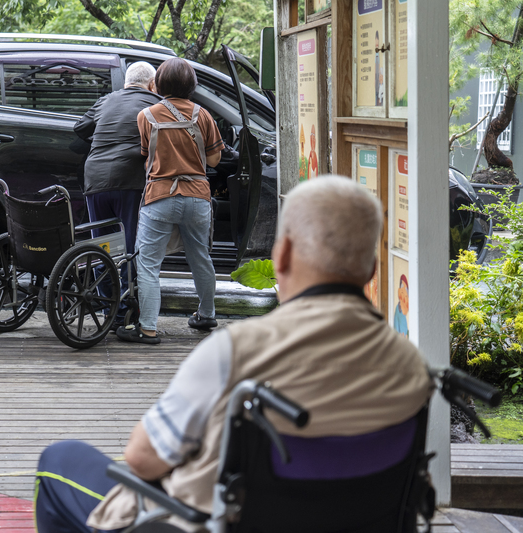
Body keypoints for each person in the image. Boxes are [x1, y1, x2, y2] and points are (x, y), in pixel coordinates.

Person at [33, 176, 433, 532]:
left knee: (60, 460)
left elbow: (143, 459)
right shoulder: (409, 364)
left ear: (284, 254)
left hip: (206, 521)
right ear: (371, 269)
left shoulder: (236, 352)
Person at [116, 57, 224, 344]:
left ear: (158, 84)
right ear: (192, 84)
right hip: (198, 196)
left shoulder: (146, 116)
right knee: (200, 257)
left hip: (160, 196)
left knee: (149, 263)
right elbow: (214, 158)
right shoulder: (204, 115)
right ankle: (206, 313)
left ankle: (148, 327)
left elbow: (145, 154)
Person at [74, 62, 160, 327]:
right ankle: (125, 313)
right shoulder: (156, 103)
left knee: (105, 246)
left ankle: (108, 313)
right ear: (151, 84)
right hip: (129, 181)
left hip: (96, 178)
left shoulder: (106, 100)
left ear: (126, 82)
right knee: (131, 247)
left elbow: (80, 128)